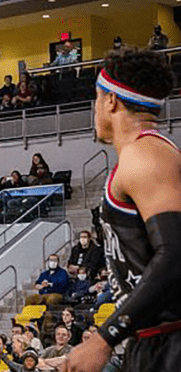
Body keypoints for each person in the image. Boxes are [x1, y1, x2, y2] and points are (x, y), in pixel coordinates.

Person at [64, 47, 181, 372]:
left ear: (110, 101)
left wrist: (104, 339)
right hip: (151, 339)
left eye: (96, 97)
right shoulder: (143, 155)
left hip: (170, 340)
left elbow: (174, 253)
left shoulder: (145, 155)